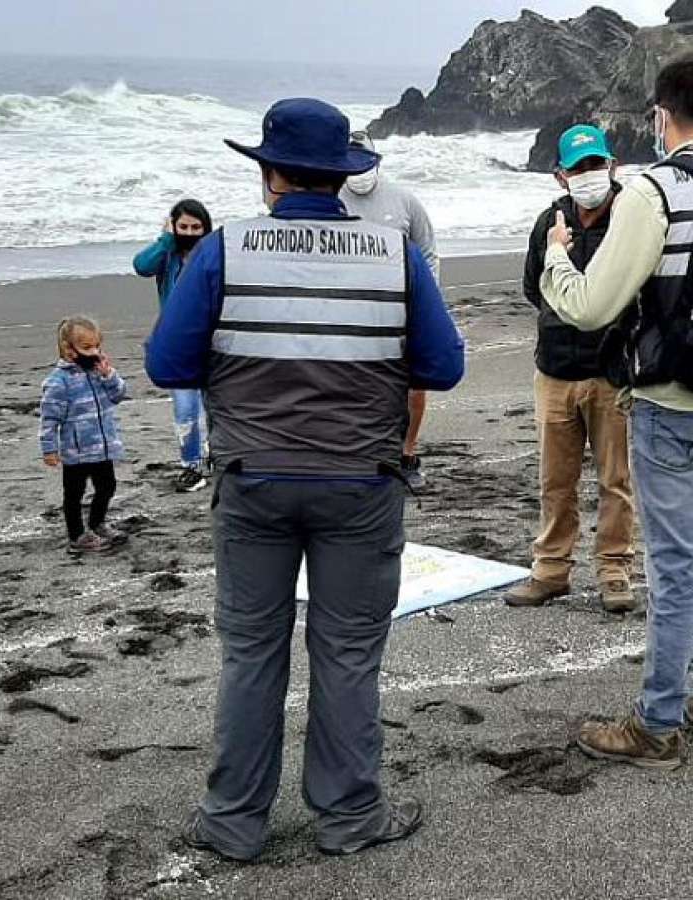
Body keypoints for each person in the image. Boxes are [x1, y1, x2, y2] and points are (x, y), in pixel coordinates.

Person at [146, 98, 465, 859]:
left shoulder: (227, 249)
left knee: (251, 652)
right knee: (349, 652)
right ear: (343, 175)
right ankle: (350, 817)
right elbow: (444, 367)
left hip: (253, 479)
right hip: (362, 482)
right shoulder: (395, 255)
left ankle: (233, 823)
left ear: (270, 174)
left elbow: (167, 364)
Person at [540, 55, 693, 770]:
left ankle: (659, 722)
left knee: (674, 566)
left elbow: (592, 304)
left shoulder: (652, 192)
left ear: (662, 117)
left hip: (670, 402)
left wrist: (555, 263)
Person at [505, 124, 635, 613]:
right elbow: (533, 287)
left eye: (595, 165)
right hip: (556, 369)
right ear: (561, 176)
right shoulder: (548, 222)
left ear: (612, 165)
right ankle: (551, 569)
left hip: (612, 371)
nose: (589, 176)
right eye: (578, 168)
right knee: (555, 480)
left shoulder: (630, 217)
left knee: (614, 479)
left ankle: (615, 571)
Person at [342, 131, 439, 490]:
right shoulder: (330, 201)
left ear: (377, 161)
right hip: (349, 316)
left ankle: (406, 453)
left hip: (402, 310)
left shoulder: (404, 201)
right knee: (356, 385)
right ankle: (360, 454)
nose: (357, 169)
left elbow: (427, 251)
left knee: (413, 386)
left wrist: (427, 305)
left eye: (363, 161)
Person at [133, 199, 214, 492]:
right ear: (174, 226)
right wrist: (166, 239)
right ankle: (191, 465)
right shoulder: (167, 256)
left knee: (214, 405)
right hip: (178, 343)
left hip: (213, 342)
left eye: (196, 227)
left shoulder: (212, 255)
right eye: (184, 227)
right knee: (184, 408)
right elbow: (141, 266)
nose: (190, 232)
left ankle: (215, 455)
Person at [39, 316, 129, 554]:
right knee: (74, 495)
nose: (95, 352)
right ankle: (77, 535)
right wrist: (49, 449)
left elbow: (119, 395)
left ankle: (97, 523)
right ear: (69, 350)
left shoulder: (100, 373)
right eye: (87, 348)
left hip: (103, 447)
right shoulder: (58, 382)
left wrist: (109, 375)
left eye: (97, 346)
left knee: (107, 486)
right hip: (76, 452)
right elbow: (49, 419)